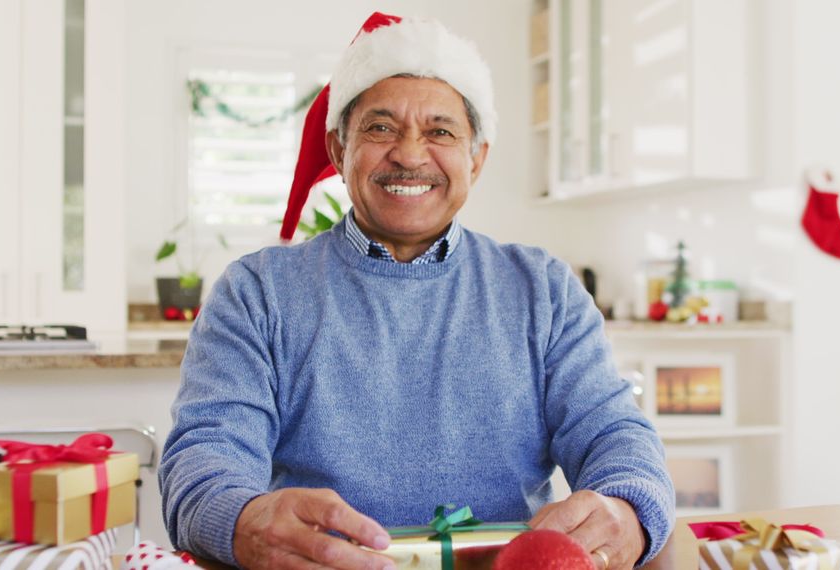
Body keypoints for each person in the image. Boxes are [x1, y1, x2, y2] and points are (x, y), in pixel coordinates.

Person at [160, 12, 674, 570]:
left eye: (440, 131)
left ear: (476, 158)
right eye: (381, 128)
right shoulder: (257, 292)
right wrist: (242, 522)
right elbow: (204, 458)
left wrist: (625, 508)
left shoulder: (543, 290)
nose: (409, 153)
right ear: (339, 149)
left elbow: (615, 434)